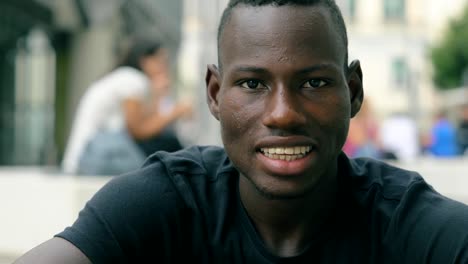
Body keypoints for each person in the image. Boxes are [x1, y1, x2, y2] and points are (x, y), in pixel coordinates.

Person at [16, 0, 468, 263]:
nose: (283, 114)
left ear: (353, 92)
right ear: (215, 94)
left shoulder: (410, 224)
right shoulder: (164, 202)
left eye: (313, 82)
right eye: (253, 84)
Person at [61, 38, 192, 175]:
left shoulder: (126, 78)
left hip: (95, 154)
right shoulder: (132, 80)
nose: (164, 67)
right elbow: (139, 130)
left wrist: (158, 95)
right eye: (160, 61)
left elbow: (148, 123)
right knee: (169, 147)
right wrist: (175, 112)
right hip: (94, 155)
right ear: (145, 61)